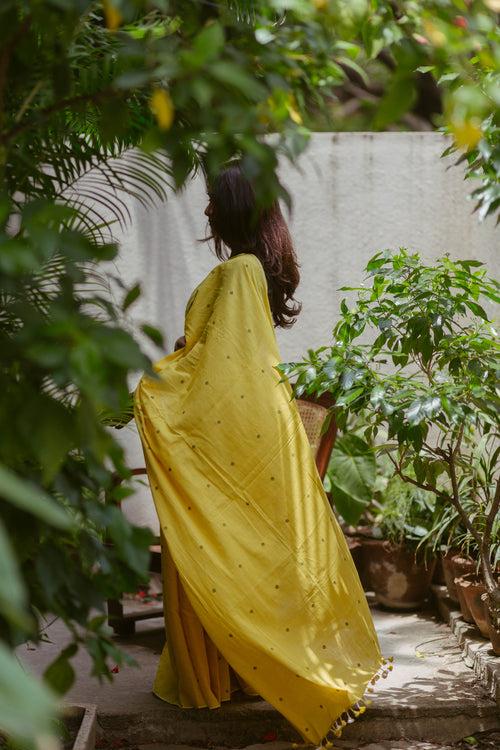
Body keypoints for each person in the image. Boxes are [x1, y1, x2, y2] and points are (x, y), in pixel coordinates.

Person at [134, 162, 388, 747]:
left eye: (214, 202)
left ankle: (239, 674)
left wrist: (158, 379)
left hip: (234, 439)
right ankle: (241, 674)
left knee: (218, 555)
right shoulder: (249, 273)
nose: (206, 213)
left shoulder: (238, 271)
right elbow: (227, 361)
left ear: (235, 209)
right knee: (234, 559)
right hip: (254, 433)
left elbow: (223, 377)